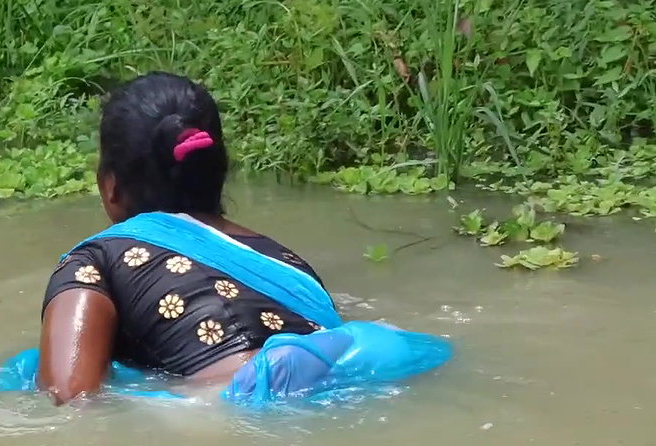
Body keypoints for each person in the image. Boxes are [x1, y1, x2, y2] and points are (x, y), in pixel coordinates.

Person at [26, 71, 450, 406]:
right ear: (217, 171)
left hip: (233, 408)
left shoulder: (96, 259)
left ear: (110, 186)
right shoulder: (288, 263)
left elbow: (69, 400)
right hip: (353, 379)